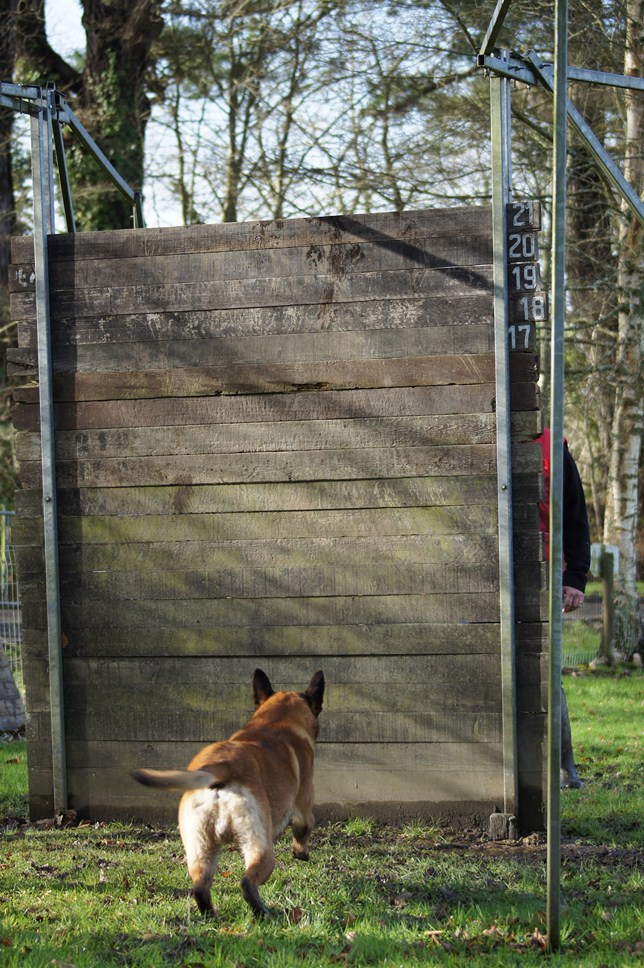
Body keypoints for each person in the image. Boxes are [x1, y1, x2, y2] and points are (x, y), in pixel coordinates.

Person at [538, 428, 591, 789]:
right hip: (484, 571)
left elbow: (574, 515)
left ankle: (564, 766)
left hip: (542, 571)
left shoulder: (552, 447)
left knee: (547, 666)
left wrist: (575, 576)